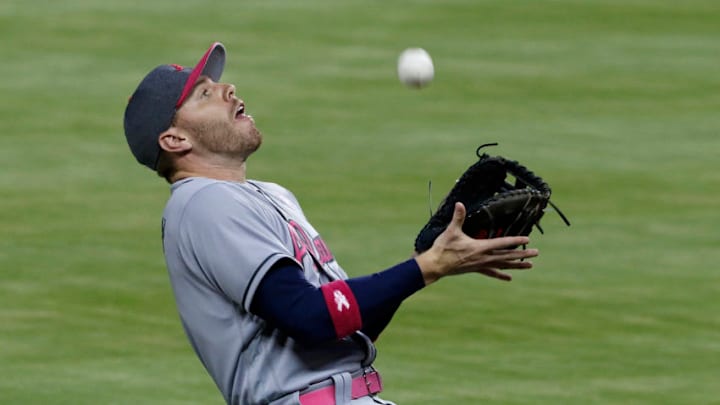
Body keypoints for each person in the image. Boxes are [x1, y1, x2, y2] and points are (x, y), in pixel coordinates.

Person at [123, 42, 539, 405]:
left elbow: (343, 328)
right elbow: (310, 317)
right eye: (204, 94)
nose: (228, 89)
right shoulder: (203, 204)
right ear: (176, 140)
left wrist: (425, 260)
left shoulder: (270, 195)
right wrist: (426, 268)